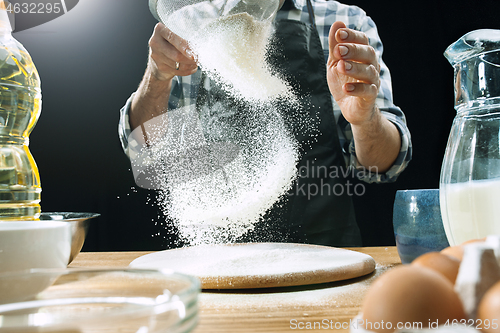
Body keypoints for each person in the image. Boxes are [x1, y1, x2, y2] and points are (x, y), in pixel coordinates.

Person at [119, 0, 412, 247]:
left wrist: (365, 118)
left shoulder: (344, 22)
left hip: (326, 252)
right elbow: (145, 150)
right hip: (220, 255)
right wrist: (157, 77)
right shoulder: (192, 28)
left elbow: (385, 165)